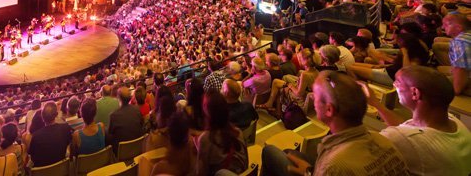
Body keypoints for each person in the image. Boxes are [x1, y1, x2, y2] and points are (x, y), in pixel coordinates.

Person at [261, 71, 408, 175]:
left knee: (269, 151)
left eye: (316, 96)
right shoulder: (383, 140)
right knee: (289, 153)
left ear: (329, 109)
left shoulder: (334, 165)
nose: (312, 98)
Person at [364, 65, 471, 176]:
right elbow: (404, 130)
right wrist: (376, 104)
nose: (394, 85)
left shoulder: (404, 139)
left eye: (398, 82)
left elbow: (360, 154)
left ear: (415, 93)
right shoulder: (452, 120)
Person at [196, 90, 248, 175]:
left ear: (206, 111)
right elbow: (246, 163)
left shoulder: (205, 139)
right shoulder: (238, 132)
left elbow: (201, 173)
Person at [28, 102, 72, 167]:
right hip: (62, 169)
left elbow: (32, 157)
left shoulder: (36, 136)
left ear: (42, 117)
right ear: (56, 114)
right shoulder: (65, 128)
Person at [437, 13, 471, 95]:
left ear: (458, 27)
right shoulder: (467, 34)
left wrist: (455, 91)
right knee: (438, 70)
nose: (442, 27)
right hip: (467, 72)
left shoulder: (460, 42)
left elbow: (461, 70)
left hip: (467, 76)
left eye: (446, 25)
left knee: (429, 81)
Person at [108, 87, 143, 153]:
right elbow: (141, 124)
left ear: (118, 98)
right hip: (138, 148)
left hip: (122, 152)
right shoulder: (137, 110)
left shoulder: (113, 116)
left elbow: (111, 134)